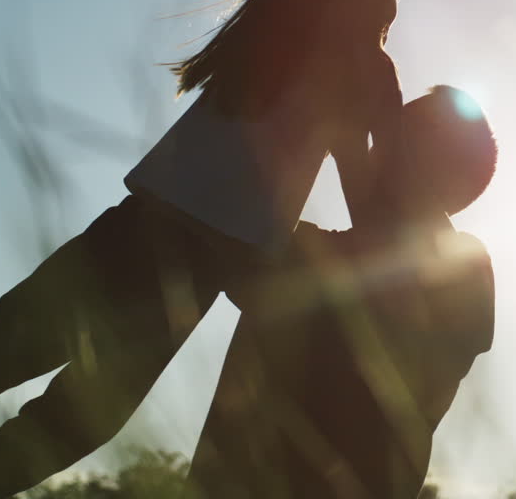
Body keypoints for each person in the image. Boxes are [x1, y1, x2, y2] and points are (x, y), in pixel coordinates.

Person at [0, 0, 411, 498]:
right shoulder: (345, 66)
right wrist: (389, 121)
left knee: (4, 367)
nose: (393, 9)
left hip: (137, 238)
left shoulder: (267, 45)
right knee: (64, 411)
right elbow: (363, 192)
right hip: (180, 260)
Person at [184, 85, 498, 499]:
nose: (377, 141)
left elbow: (399, 273)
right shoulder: (305, 251)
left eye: (394, 133)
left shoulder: (467, 265)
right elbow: (227, 234)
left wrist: (347, 147)